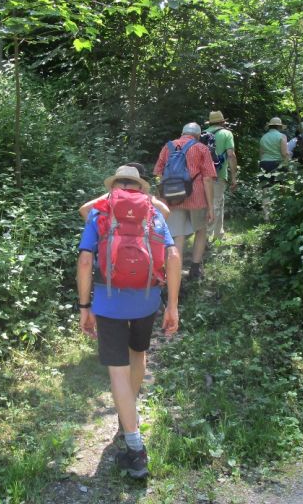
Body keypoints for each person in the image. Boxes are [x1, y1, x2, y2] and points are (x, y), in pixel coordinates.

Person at [77, 165, 181, 479]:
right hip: (147, 300)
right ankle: (128, 418)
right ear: (140, 187)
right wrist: (172, 306)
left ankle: (135, 448)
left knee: (117, 371)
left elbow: (84, 260)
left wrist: (84, 306)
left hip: (109, 302)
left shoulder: (100, 212)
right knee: (138, 354)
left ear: (113, 186)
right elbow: (173, 256)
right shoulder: (153, 212)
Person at [153, 122, 216, 280]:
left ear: (182, 133)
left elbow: (158, 173)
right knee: (201, 231)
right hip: (198, 198)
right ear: (198, 135)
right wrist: (211, 206)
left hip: (173, 197)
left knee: (178, 235)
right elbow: (207, 179)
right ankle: (195, 269)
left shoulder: (168, 147)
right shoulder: (202, 148)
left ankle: (174, 273)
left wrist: (163, 197)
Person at [79, 162, 170, 220]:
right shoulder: (147, 196)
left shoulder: (111, 194)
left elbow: (84, 209)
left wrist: (96, 230)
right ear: (140, 182)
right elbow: (165, 211)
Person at [203, 111, 238, 243]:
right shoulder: (226, 133)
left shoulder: (202, 134)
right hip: (219, 174)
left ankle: (219, 234)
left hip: (203, 175)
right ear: (222, 122)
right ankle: (206, 238)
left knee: (218, 202)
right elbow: (231, 155)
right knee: (215, 204)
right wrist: (234, 176)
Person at [258, 117, 290, 220]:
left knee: (266, 190)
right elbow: (284, 153)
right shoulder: (282, 136)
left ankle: (267, 217)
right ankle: (281, 214)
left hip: (264, 164)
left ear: (270, 126)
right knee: (282, 189)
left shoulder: (263, 137)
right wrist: (287, 166)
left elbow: (261, 153)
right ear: (279, 127)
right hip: (277, 164)